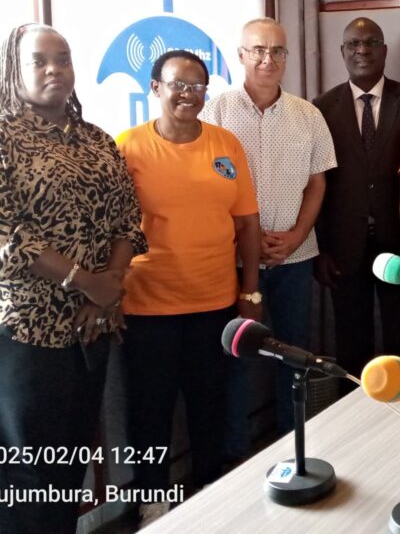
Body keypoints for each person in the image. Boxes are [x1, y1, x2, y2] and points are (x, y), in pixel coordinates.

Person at [0, 24, 145, 534]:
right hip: (14, 333)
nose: (53, 69)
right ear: (12, 70)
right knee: (23, 483)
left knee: (65, 472)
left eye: (62, 58)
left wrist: (109, 286)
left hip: (88, 328)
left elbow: (128, 221)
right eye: (38, 61)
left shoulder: (97, 140)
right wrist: (88, 281)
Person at [117, 50, 261, 528]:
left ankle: (209, 487)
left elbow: (247, 223)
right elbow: (110, 227)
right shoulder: (127, 147)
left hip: (214, 301)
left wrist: (251, 291)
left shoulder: (226, 145)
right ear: (155, 88)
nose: (188, 94)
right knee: (150, 410)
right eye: (177, 84)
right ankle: (153, 501)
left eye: (198, 86)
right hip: (147, 303)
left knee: (209, 402)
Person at [200, 18, 336, 443]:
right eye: (258, 50)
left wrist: (296, 235)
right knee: (237, 353)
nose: (268, 59)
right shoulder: (215, 112)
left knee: (295, 354)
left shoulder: (308, 115)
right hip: (235, 260)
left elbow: (318, 182)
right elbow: (202, 184)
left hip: (294, 257)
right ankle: (236, 453)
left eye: (277, 51)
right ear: (240, 55)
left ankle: (294, 441)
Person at [313, 17, 400, 384]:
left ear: (384, 50)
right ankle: (353, 409)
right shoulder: (321, 107)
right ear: (342, 52)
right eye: (353, 43)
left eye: (370, 42)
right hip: (343, 245)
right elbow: (317, 181)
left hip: (399, 240)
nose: (362, 50)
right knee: (350, 336)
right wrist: (321, 248)